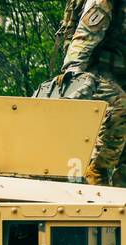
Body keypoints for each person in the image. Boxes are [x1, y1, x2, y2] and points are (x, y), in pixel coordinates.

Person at [49, 0, 126, 184]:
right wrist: (73, 73)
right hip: (94, 74)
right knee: (122, 108)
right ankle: (98, 170)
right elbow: (86, 34)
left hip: (121, 76)